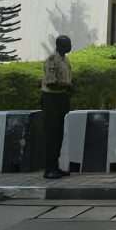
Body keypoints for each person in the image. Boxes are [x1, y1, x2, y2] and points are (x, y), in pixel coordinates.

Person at [42, 35, 73, 179]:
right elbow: (50, 82)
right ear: (59, 45)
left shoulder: (65, 60)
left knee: (59, 134)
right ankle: (49, 169)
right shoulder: (52, 60)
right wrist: (67, 86)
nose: (69, 46)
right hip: (51, 99)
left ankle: (56, 167)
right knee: (52, 134)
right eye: (66, 44)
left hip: (62, 98)